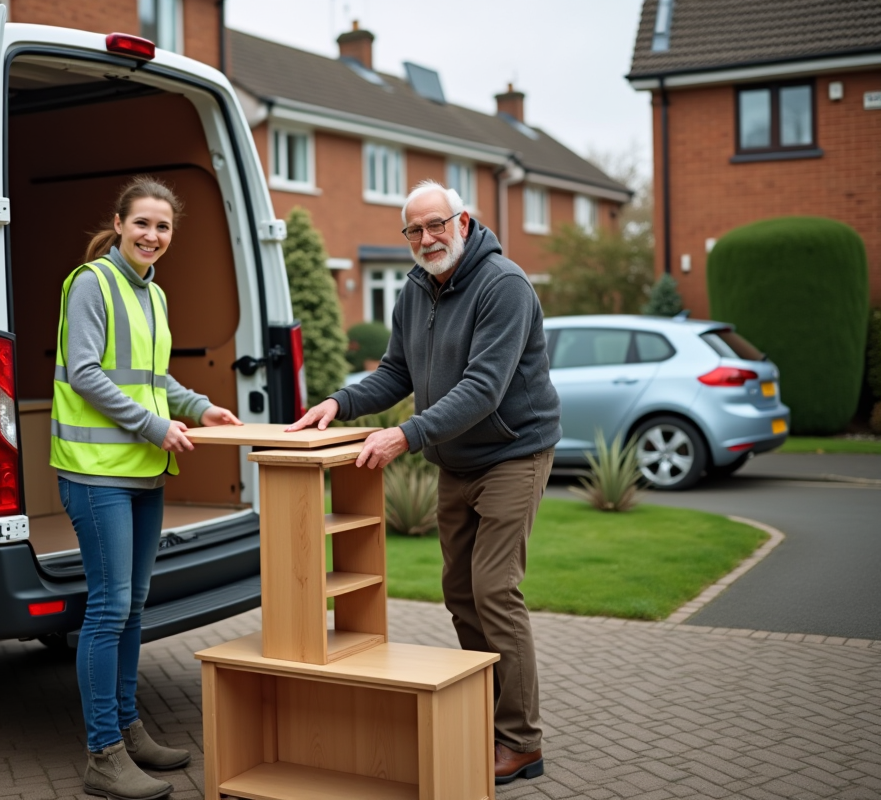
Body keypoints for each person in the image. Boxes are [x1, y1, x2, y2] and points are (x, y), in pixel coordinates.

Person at [288, 179, 560, 785]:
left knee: (493, 589)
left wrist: (405, 436)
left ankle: (521, 741)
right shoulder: (415, 290)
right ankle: (484, 717)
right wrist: (339, 403)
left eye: (436, 224)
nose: (426, 238)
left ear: (463, 221)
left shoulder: (504, 285)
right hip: (456, 459)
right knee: (459, 591)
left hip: (514, 452)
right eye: (414, 229)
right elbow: (395, 372)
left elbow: (483, 388)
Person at [51, 176, 242, 800]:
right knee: (108, 608)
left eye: (163, 227)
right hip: (96, 472)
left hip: (142, 472)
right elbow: (84, 374)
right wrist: (156, 426)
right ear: (119, 222)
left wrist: (202, 406)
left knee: (133, 606)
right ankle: (102, 755)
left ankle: (129, 731)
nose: (153, 236)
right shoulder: (92, 284)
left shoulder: (153, 294)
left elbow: (152, 378)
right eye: (143, 224)